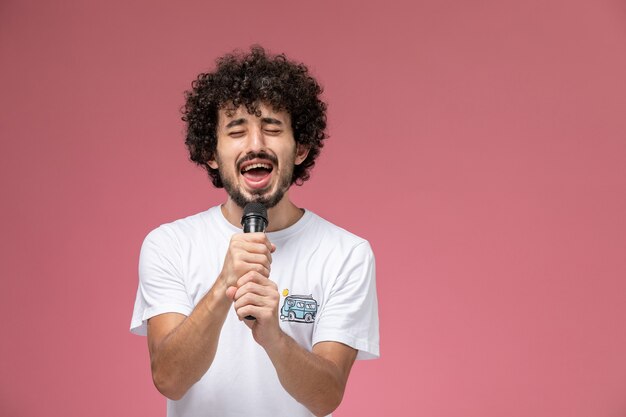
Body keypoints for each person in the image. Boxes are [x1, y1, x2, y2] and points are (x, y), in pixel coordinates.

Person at [130, 46, 379, 417]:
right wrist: (223, 287)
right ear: (211, 153)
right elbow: (169, 378)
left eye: (272, 127)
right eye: (236, 130)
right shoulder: (169, 245)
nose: (256, 144)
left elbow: (327, 396)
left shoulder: (346, 253)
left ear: (301, 148)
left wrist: (273, 337)